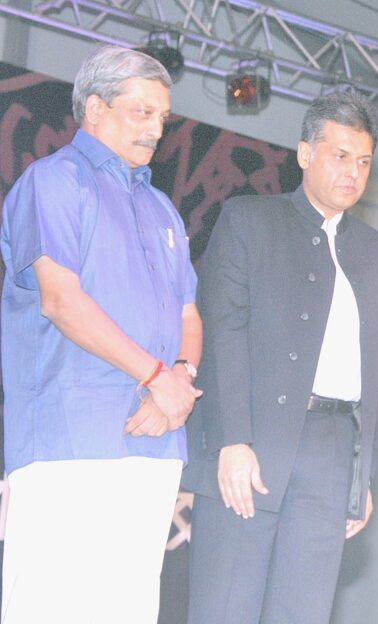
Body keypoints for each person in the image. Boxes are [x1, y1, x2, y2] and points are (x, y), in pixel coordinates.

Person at [0, 45, 201, 624]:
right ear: (94, 108)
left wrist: (179, 383)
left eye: (163, 117)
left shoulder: (163, 208)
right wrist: (158, 377)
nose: (156, 129)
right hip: (70, 437)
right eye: (141, 112)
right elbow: (61, 301)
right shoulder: (55, 182)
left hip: (156, 439)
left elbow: (189, 313)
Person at [182, 91, 378, 624]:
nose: (353, 172)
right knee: (225, 607)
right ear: (305, 153)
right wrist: (233, 439)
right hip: (254, 441)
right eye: (340, 155)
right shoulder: (249, 220)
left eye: (365, 161)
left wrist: (359, 474)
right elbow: (224, 335)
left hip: (331, 455)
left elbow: (374, 375)